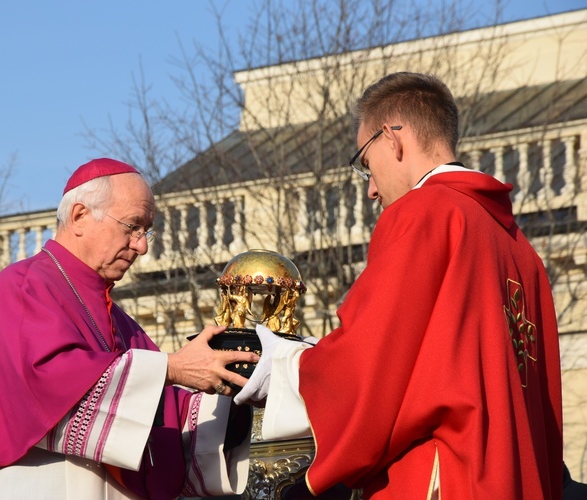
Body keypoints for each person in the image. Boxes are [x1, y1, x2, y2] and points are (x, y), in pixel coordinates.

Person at [235, 72, 563, 499]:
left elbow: (370, 361)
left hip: (441, 477)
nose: (371, 189)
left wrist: (277, 363)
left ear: (391, 139)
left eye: (366, 165)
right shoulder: (521, 250)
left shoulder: (424, 211)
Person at [0, 158, 259, 499]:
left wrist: (240, 385)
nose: (142, 246)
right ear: (80, 216)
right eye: (132, 226)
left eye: (146, 231)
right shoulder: (23, 287)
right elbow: (46, 382)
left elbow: (172, 417)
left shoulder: (122, 324)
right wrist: (172, 367)